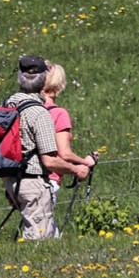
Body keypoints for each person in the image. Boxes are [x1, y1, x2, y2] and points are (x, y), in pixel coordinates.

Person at [3, 56, 89, 240]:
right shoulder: (40, 112)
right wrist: (78, 168)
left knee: (48, 235)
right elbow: (51, 159)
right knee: (40, 240)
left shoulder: (9, 104)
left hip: (11, 178)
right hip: (35, 179)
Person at [40, 61, 97, 201]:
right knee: (43, 223)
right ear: (58, 85)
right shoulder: (58, 113)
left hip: (20, 181)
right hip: (47, 180)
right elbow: (64, 154)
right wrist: (86, 162)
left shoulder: (27, 110)